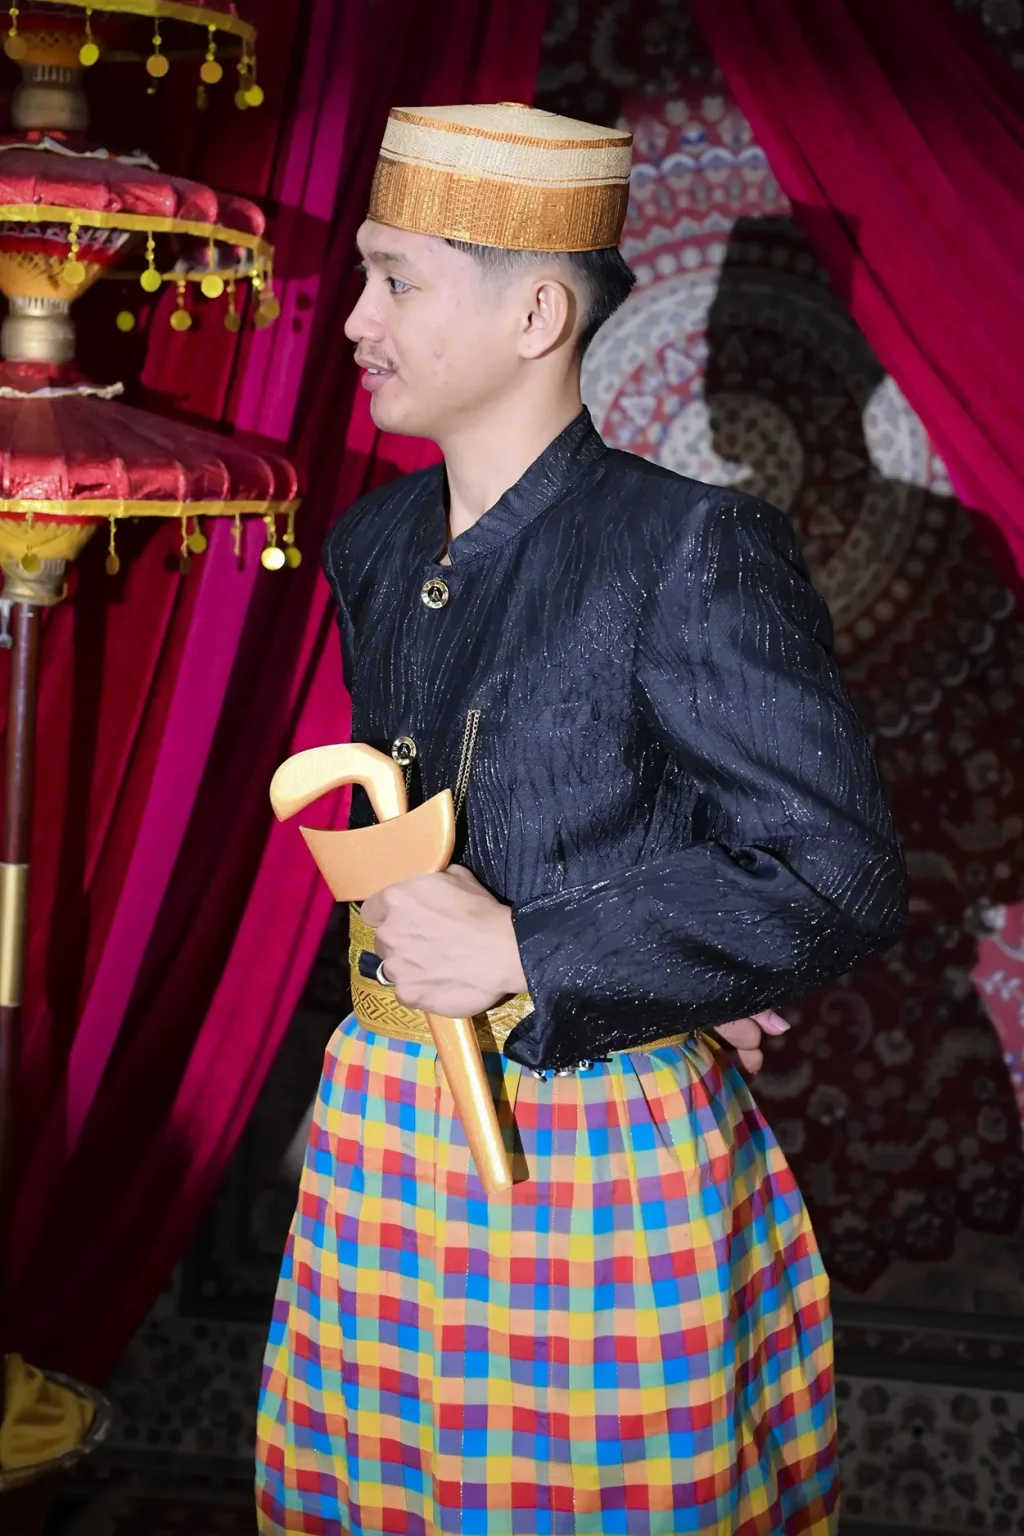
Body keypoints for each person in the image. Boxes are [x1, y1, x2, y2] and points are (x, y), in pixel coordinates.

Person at [256, 104, 906, 1536]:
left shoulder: (689, 545)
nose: (355, 319)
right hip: (379, 1116)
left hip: (588, 1141)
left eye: (396, 279)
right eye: (364, 277)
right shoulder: (373, 542)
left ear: (537, 312)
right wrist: (664, 958)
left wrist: (539, 954)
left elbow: (837, 872)